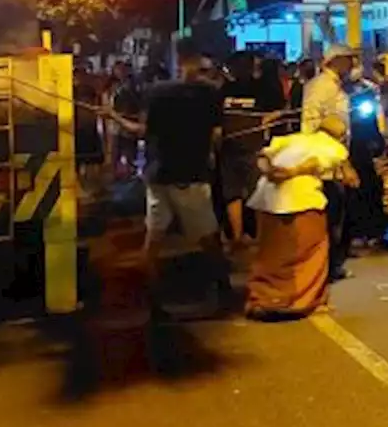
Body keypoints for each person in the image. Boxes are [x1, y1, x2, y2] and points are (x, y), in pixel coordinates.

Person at [110, 43, 229, 315]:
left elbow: (142, 130)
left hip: (157, 176)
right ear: (200, 62)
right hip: (189, 175)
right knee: (209, 238)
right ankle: (222, 291)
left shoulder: (156, 92)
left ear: (178, 61)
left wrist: (114, 117)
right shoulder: (210, 94)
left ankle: (151, 302)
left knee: (153, 241)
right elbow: (217, 135)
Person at [245, 115, 357, 320]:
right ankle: (303, 301)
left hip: (266, 201)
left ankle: (262, 299)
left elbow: (262, 155)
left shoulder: (293, 139)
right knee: (312, 252)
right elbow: (315, 162)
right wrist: (292, 172)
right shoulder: (334, 147)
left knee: (270, 253)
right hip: (302, 202)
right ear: (341, 136)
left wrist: (270, 171)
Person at [301, 44, 355, 283]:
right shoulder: (322, 86)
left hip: (334, 159)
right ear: (335, 62)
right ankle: (327, 267)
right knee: (329, 217)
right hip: (325, 161)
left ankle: (330, 265)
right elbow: (310, 121)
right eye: (349, 60)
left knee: (335, 215)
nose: (352, 65)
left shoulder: (335, 86)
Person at [219, 52, 268, 249]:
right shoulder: (260, 88)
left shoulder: (226, 89)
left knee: (238, 194)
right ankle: (250, 237)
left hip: (239, 148)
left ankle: (243, 236)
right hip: (243, 148)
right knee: (251, 193)